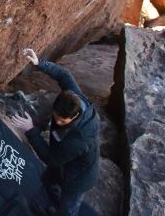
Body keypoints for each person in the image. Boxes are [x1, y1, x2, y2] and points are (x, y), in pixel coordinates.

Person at [9, 48, 100, 216]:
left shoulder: (78, 139)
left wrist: (31, 130)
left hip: (78, 178)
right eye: (55, 117)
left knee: (68, 206)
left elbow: (51, 158)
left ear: (74, 117)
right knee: (49, 180)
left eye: (62, 121)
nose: (57, 122)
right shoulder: (74, 96)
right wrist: (39, 63)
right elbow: (64, 75)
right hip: (65, 162)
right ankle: (51, 200)